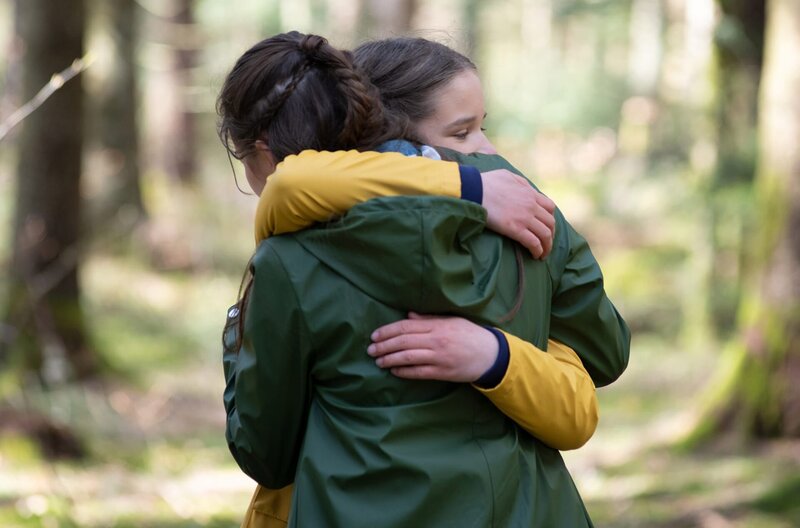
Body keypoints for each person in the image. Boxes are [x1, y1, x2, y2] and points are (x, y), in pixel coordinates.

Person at [219, 32, 628, 527]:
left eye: (479, 129)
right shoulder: (528, 209)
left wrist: (241, 330)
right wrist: (505, 353)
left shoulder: (293, 253)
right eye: (463, 133)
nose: (487, 151)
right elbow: (604, 352)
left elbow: (265, 452)